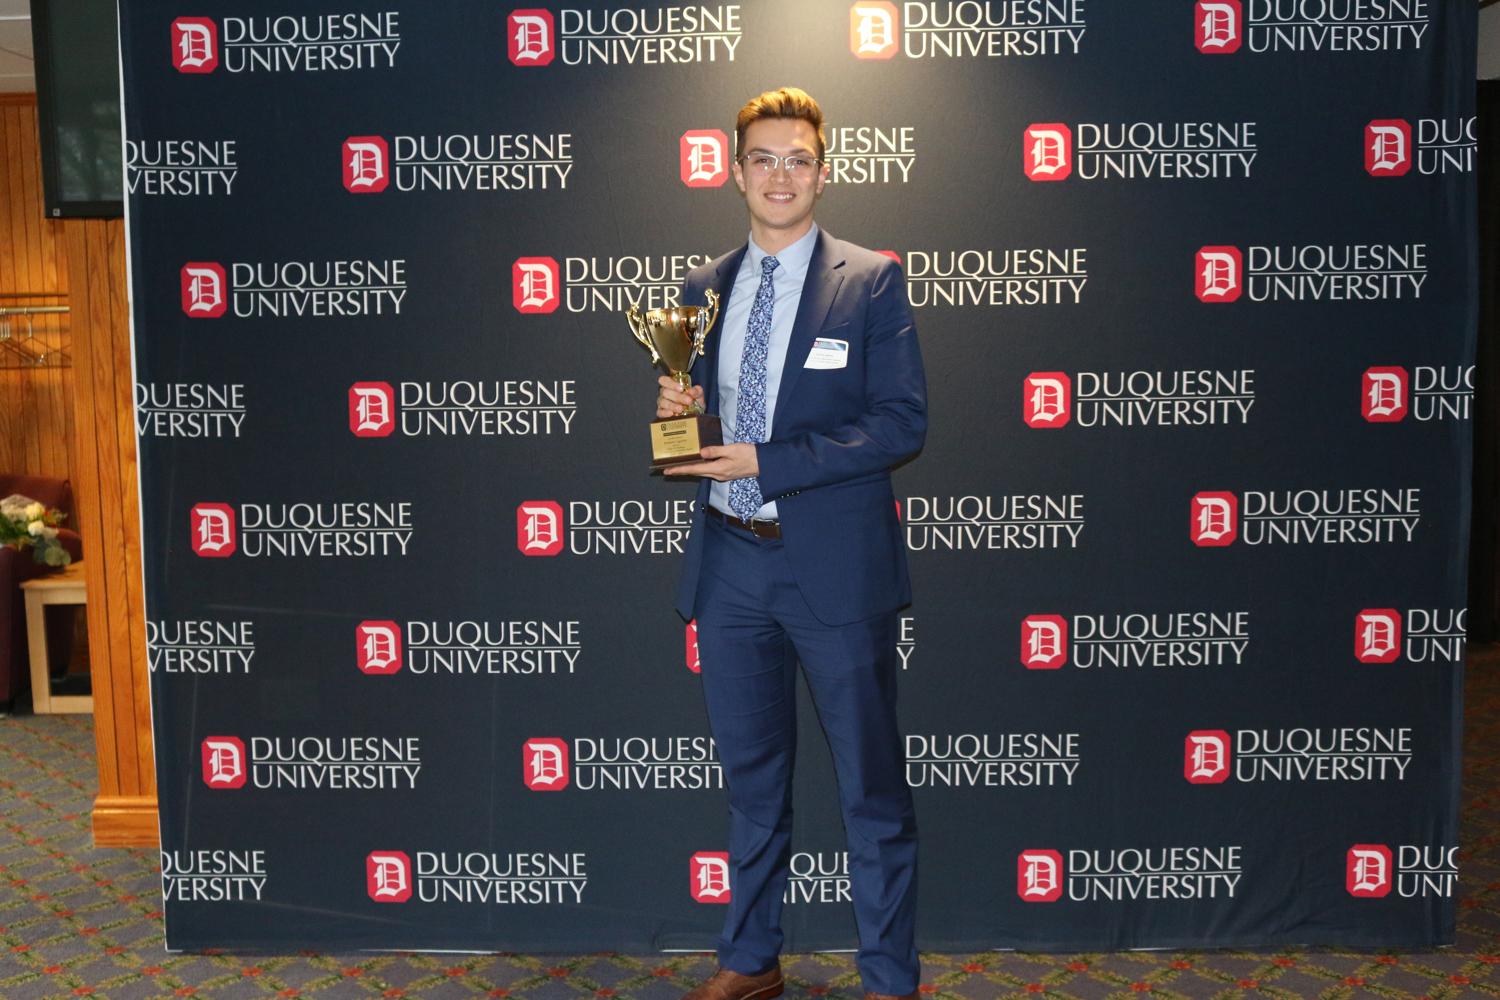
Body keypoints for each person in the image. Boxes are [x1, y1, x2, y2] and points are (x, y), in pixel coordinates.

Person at [656, 88, 927, 1000]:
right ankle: (750, 957)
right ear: (736, 173)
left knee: (871, 791)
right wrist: (678, 417)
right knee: (752, 783)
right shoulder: (701, 290)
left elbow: (901, 425)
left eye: (797, 159)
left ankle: (890, 976)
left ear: (824, 170)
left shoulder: (871, 279)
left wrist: (770, 460)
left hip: (835, 573)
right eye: (763, 159)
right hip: (730, 566)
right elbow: (697, 422)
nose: (781, 175)